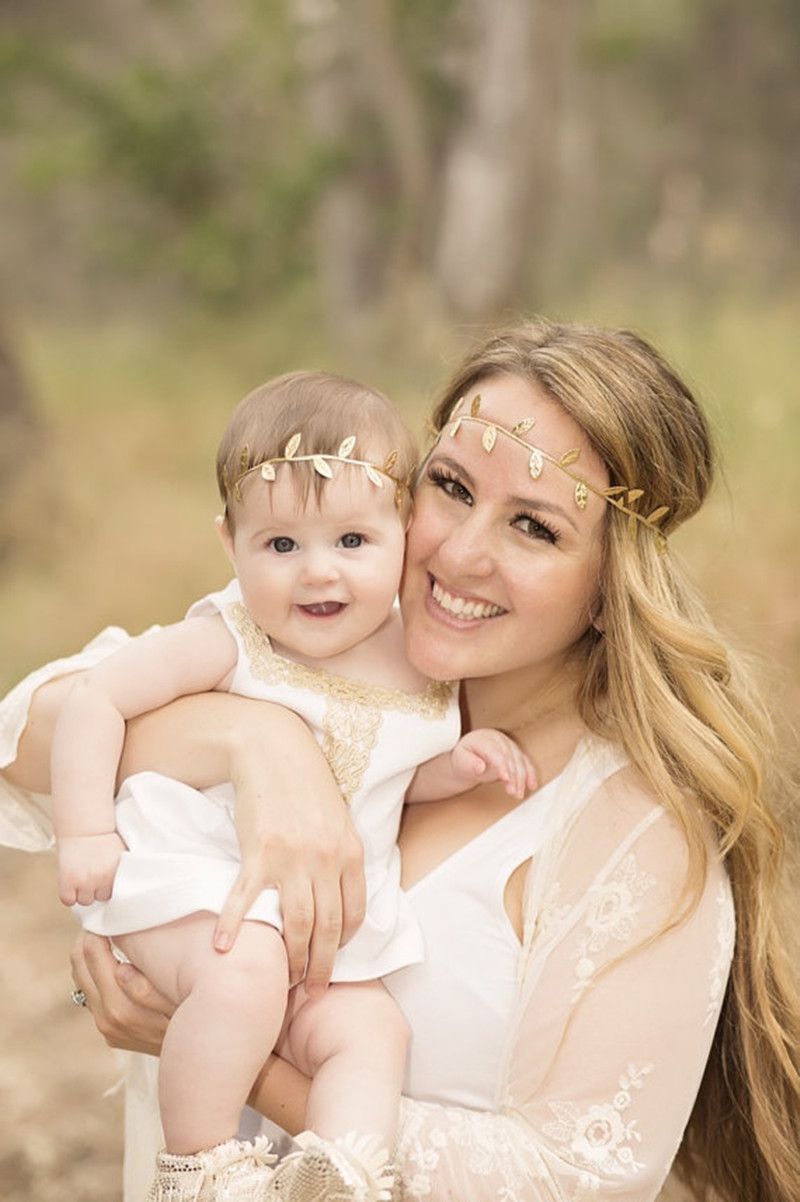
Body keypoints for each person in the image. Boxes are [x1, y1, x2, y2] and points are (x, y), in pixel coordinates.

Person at [2, 320, 799, 1202]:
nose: (458, 553)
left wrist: (238, 1056)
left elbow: (577, 1177)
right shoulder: (308, 649)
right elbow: (29, 730)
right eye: (450, 486)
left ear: (613, 586)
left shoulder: (636, 834)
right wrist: (258, 741)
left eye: (533, 526)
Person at [45, 368, 536, 1202]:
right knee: (245, 978)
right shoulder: (231, 638)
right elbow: (96, 700)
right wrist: (86, 831)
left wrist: (457, 767)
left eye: (352, 542)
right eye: (281, 546)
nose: (318, 574)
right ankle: (198, 1167)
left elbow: (383, 780)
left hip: (323, 934)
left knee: (373, 1030)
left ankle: (336, 1169)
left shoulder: (417, 666)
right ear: (229, 544)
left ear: (404, 534)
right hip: (201, 895)